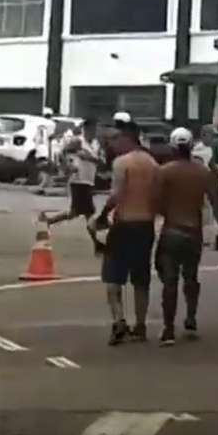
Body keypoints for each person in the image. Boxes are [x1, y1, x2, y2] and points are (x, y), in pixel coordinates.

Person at [154, 127, 218, 346]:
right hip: (193, 231)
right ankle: (191, 317)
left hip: (172, 229)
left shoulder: (165, 171)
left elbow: (155, 201)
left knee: (169, 280)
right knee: (191, 277)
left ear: (173, 147)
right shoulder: (202, 172)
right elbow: (216, 201)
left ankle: (168, 329)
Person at [93, 120, 159, 346]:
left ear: (128, 138)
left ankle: (119, 320)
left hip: (124, 224)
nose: (113, 144)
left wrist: (102, 215)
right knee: (141, 278)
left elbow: (117, 194)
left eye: (116, 139)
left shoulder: (122, 163)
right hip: (145, 224)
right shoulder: (152, 163)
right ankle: (140, 326)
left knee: (113, 277)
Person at [39, 118, 104, 255]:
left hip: (88, 180)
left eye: (96, 130)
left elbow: (100, 161)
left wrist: (91, 159)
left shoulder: (96, 144)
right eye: (92, 129)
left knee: (75, 212)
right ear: (86, 129)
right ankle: (97, 244)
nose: (94, 132)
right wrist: (67, 167)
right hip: (78, 181)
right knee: (89, 213)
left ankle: (49, 220)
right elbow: (62, 152)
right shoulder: (78, 141)